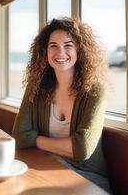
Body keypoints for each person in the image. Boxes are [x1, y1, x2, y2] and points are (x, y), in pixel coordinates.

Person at [12, 18, 112, 193]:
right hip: (44, 166)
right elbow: (20, 136)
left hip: (88, 177)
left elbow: (82, 149)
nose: (61, 52)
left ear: (79, 50)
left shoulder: (95, 90)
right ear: (44, 51)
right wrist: (65, 145)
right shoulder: (37, 87)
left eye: (68, 45)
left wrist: (35, 140)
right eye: (53, 46)